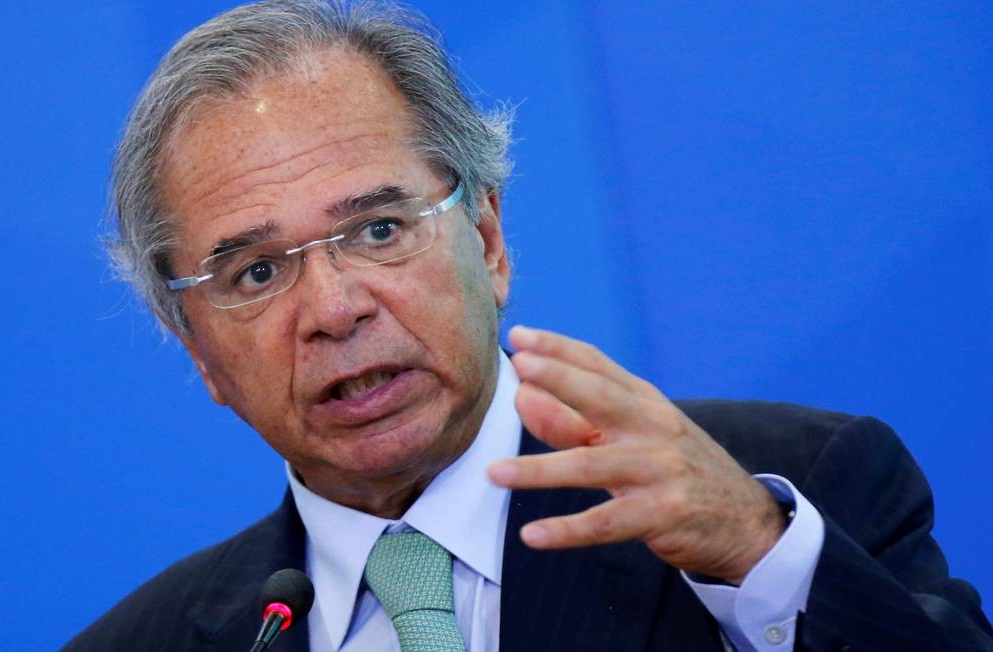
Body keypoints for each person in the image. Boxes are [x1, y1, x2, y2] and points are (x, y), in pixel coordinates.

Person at [65, 1, 992, 650]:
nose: (335, 308)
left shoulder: (794, 492)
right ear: (198, 351)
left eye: (380, 230)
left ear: (489, 239)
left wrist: (760, 559)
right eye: (257, 271)